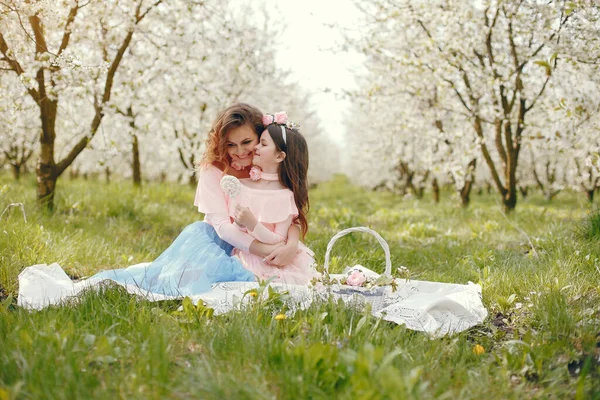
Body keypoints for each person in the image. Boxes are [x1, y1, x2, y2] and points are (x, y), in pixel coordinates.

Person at [89, 103, 308, 295]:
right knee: (167, 281)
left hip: (259, 243)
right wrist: (267, 250)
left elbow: (286, 209)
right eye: (231, 145)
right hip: (219, 242)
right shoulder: (213, 170)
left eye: (247, 142)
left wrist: (291, 245)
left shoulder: (265, 163)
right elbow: (223, 227)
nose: (240, 151)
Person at [206, 112, 319, 283]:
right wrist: (242, 222)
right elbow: (228, 226)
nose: (248, 150)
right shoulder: (240, 181)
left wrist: (288, 243)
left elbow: (284, 230)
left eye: (259, 143)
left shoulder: (284, 194)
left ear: (280, 156)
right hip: (236, 248)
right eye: (231, 144)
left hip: (265, 254)